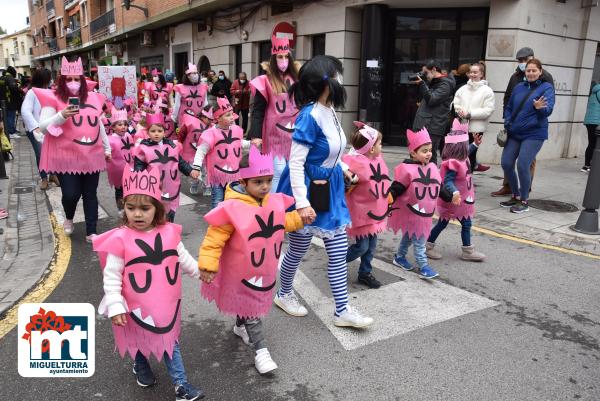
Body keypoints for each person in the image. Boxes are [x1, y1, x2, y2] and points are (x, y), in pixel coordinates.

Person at [275, 55, 373, 328]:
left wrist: (343, 168)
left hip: (330, 189)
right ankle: (283, 293)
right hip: (307, 190)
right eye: (339, 75)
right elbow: (295, 162)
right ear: (328, 82)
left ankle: (342, 310)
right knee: (297, 249)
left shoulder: (330, 111)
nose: (343, 80)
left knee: (338, 248)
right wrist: (302, 203)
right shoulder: (309, 116)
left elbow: (330, 151)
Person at [92, 168, 204, 401]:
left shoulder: (169, 233)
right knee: (139, 337)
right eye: (131, 208)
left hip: (165, 303)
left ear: (157, 209)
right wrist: (115, 305)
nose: (137, 214)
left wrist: (202, 273)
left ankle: (181, 385)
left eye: (145, 208)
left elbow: (182, 259)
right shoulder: (120, 239)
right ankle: (141, 367)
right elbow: (111, 275)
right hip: (135, 305)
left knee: (169, 340)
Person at [198, 146, 303, 374]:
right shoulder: (232, 208)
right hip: (240, 272)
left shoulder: (271, 201)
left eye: (268, 180)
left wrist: (300, 218)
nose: (265, 186)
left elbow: (282, 222)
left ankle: (239, 326)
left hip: (263, 269)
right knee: (252, 310)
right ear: (244, 182)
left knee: (246, 305)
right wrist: (208, 264)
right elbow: (214, 238)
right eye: (258, 182)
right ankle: (261, 351)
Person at [34, 57, 111, 242]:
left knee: (90, 194)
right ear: (62, 80)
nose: (74, 83)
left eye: (77, 79)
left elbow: (98, 124)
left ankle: (91, 230)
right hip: (66, 157)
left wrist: (107, 147)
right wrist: (61, 115)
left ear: (83, 80)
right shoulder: (53, 98)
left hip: (91, 155)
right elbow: (43, 126)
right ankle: (69, 217)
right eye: (69, 79)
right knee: (70, 194)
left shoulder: (93, 97)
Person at [388, 127, 453, 279]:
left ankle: (399, 257)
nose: (429, 153)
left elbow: (439, 187)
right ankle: (423, 266)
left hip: (425, 212)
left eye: (430, 150)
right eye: (424, 151)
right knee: (419, 240)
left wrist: (449, 197)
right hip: (412, 213)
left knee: (410, 235)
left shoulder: (432, 168)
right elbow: (398, 186)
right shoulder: (408, 169)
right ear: (413, 153)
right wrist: (390, 196)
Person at [492, 47, 554, 196]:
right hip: (514, 128)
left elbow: (547, 107)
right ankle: (512, 189)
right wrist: (507, 119)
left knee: (524, 164)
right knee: (507, 162)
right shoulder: (516, 79)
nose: (529, 71)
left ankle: (525, 191)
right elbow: (508, 99)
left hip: (533, 132)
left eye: (525, 60)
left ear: (539, 71)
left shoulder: (546, 81)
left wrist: (539, 108)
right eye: (521, 62)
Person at [426, 119, 485, 262]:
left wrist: (475, 145)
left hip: (462, 200)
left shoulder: (463, 157)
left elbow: (468, 151)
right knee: (452, 223)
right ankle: (466, 251)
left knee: (452, 223)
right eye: (465, 144)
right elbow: (448, 181)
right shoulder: (453, 163)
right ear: (459, 147)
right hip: (455, 200)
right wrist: (455, 192)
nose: (467, 147)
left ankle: (428, 245)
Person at [342, 122, 391, 289]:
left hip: (375, 212)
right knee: (362, 247)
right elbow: (347, 186)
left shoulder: (377, 160)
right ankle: (338, 262)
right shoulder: (356, 163)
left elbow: (383, 182)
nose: (381, 146)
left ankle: (365, 273)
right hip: (362, 214)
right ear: (371, 148)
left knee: (371, 247)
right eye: (379, 143)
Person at [249, 36, 301, 191]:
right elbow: (257, 111)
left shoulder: (298, 80)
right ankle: (276, 207)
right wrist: (256, 135)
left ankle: (289, 205)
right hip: (274, 136)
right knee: (278, 172)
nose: (284, 60)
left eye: (286, 57)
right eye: (280, 57)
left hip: (295, 134)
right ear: (273, 58)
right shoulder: (264, 81)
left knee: (294, 171)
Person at [134, 113, 199, 222]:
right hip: (153, 185)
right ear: (148, 132)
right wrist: (138, 179)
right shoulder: (143, 148)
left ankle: (169, 231)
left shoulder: (172, 146)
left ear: (164, 132)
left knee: (170, 211)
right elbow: (139, 166)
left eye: (159, 131)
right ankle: (156, 232)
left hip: (171, 185)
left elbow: (180, 162)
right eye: (153, 131)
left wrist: (190, 171)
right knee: (156, 211)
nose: (156, 134)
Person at [192, 97, 248, 208]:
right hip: (217, 176)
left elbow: (240, 143)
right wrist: (196, 167)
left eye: (232, 114)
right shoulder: (210, 134)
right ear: (218, 118)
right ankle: (216, 224)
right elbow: (201, 151)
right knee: (217, 201)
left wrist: (254, 144)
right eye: (228, 115)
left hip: (234, 175)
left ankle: (230, 222)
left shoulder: (236, 130)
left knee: (233, 202)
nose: (232, 117)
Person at [21, 68, 60, 190]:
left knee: (51, 152)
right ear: (43, 79)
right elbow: (25, 111)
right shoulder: (32, 93)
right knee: (41, 154)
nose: (50, 81)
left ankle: (52, 174)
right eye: (48, 78)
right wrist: (35, 127)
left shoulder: (49, 91)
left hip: (48, 128)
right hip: (35, 130)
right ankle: (44, 178)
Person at [452, 62, 495, 172]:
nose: (472, 74)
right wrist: (459, 111)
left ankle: (467, 180)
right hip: (461, 125)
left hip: (476, 129)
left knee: (470, 156)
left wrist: (470, 114)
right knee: (458, 154)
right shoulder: (463, 89)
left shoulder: (487, 91)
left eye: (475, 72)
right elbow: (456, 103)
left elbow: (488, 110)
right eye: (471, 72)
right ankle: (458, 178)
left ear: (481, 74)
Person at [412, 59, 456, 165]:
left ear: (434, 69)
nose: (424, 75)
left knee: (429, 155)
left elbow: (432, 100)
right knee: (419, 154)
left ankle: (432, 179)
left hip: (433, 126)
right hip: (424, 124)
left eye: (426, 72)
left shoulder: (445, 85)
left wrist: (423, 84)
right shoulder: (433, 82)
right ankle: (422, 178)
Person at [106, 107, 132, 215]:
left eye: (125, 125)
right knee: (120, 190)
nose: (123, 127)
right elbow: (106, 153)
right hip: (117, 171)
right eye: (120, 125)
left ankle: (130, 207)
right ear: (113, 127)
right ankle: (121, 209)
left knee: (130, 190)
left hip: (130, 168)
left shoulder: (129, 136)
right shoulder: (110, 139)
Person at [0, 66, 24, 139]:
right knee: (11, 117)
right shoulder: (10, 78)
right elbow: (13, 88)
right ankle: (11, 132)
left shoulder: (2, 78)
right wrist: (20, 90)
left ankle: (11, 130)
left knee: (6, 117)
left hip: (3, 101)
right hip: (10, 101)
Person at [582, 81, 600, 172]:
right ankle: (590, 164)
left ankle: (587, 165)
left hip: (589, 121)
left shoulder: (593, 92)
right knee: (595, 144)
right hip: (597, 122)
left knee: (591, 143)